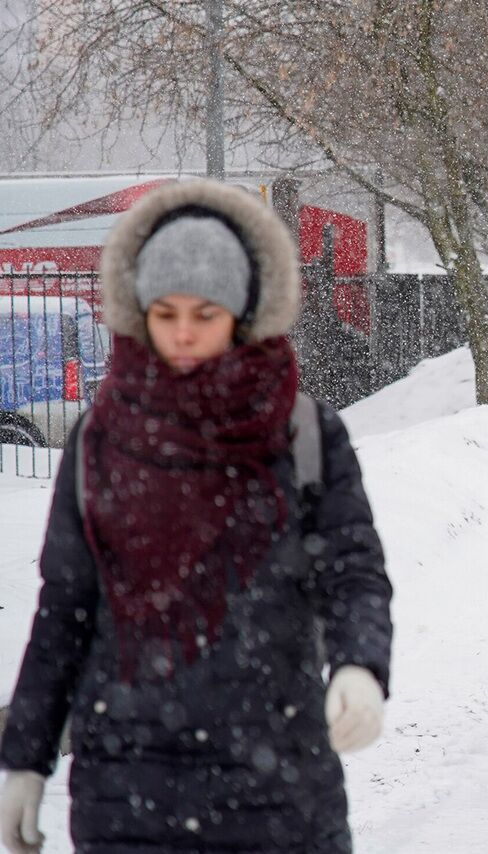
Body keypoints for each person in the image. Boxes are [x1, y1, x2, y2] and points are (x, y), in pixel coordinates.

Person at [0, 179, 393, 854]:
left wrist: (360, 665)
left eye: (205, 313)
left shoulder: (302, 433)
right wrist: (27, 757)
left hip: (277, 786)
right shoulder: (101, 439)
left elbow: (353, 572)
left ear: (241, 313)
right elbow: (67, 607)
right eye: (166, 311)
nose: (183, 333)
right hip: (126, 793)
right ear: (139, 310)